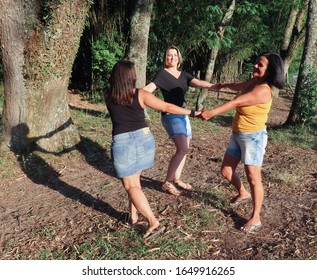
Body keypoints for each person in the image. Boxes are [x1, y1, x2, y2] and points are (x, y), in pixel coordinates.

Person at [105, 60, 201, 239]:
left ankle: (152, 221)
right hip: (144, 139)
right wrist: (192, 113)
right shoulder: (140, 94)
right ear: (131, 77)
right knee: (135, 182)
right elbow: (167, 107)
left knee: (131, 184)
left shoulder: (107, 94)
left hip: (123, 142)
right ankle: (133, 216)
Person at [201, 52, 285, 233]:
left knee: (254, 178)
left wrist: (211, 113)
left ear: (269, 70)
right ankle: (243, 193)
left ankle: (256, 218)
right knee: (226, 171)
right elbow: (239, 87)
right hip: (238, 134)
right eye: (256, 62)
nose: (255, 66)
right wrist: (223, 85)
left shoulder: (263, 90)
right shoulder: (254, 82)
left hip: (253, 137)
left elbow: (236, 102)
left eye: (260, 65)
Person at [143, 45, 217, 196]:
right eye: (169, 55)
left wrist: (217, 86)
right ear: (165, 58)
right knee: (183, 148)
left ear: (179, 58)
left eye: (175, 55)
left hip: (183, 113)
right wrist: (138, 95)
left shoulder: (184, 75)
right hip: (171, 116)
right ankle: (167, 182)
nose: (172, 58)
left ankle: (176, 178)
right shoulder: (162, 75)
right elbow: (147, 90)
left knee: (185, 147)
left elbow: (198, 82)